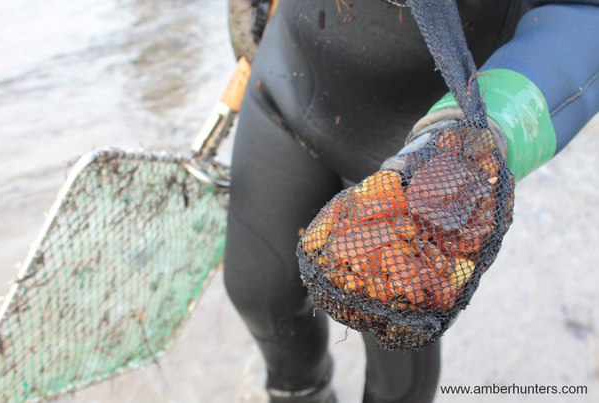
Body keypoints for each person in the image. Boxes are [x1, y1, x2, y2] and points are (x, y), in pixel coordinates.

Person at [223, 1, 599, 402]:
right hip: (289, 74)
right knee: (257, 289)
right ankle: (299, 392)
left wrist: (490, 123)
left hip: (427, 143)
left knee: (399, 326)